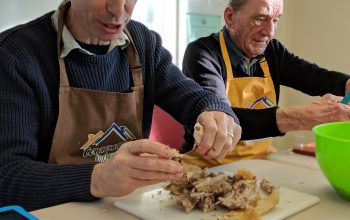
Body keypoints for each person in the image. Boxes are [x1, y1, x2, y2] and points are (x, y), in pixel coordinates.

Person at [0, 0, 242, 211]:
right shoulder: (14, 54)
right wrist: (99, 177)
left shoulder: (143, 43)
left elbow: (195, 98)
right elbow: (7, 176)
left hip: (128, 209)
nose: (119, 10)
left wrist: (216, 110)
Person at [181, 0, 350, 167]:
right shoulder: (203, 54)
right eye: (260, 18)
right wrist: (299, 117)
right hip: (207, 167)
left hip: (260, 162)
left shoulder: (272, 52)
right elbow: (221, 119)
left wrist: (346, 83)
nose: (269, 31)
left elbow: (314, 77)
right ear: (230, 17)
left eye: (275, 20)